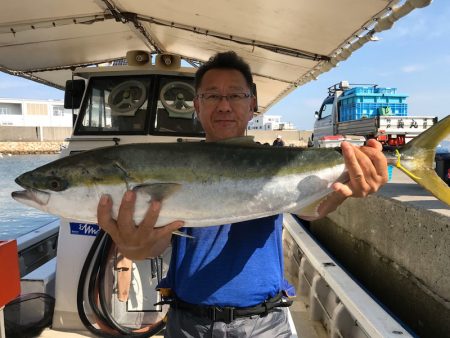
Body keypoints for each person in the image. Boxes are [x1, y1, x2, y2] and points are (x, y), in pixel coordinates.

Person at [97, 51, 388, 337]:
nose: (224, 105)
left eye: (235, 95)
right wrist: (134, 249)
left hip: (264, 324)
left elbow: (309, 210)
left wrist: (342, 190)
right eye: (212, 95)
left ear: (253, 105)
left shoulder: (276, 161)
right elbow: (153, 246)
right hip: (188, 323)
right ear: (196, 105)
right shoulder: (173, 166)